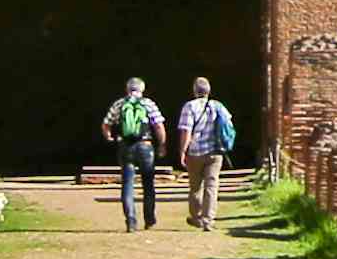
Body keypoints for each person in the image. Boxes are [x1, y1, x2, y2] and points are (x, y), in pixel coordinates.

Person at [100, 77, 165, 231]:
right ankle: (149, 219)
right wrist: (162, 145)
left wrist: (109, 137)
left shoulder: (119, 104)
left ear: (127, 89)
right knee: (148, 184)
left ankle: (131, 221)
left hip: (125, 147)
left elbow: (105, 125)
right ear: (142, 89)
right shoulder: (148, 104)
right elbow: (159, 126)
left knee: (128, 184)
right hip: (145, 145)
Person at [174, 76, 236, 230]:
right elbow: (229, 125)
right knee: (212, 186)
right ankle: (208, 220)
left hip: (195, 152)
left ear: (195, 91)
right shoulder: (218, 106)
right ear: (209, 91)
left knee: (195, 187)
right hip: (215, 152)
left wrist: (183, 151)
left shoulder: (189, 107)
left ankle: (196, 217)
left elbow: (186, 131)